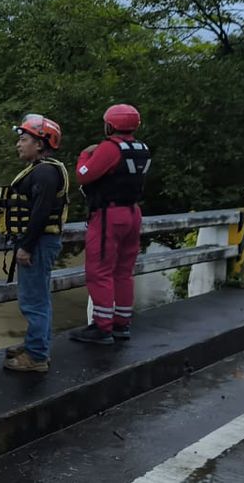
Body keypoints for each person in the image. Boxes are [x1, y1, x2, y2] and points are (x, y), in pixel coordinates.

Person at [0, 114, 69, 372]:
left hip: (37, 244)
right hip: (40, 242)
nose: (18, 144)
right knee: (38, 298)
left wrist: (25, 245)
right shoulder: (43, 169)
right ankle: (37, 346)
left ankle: (36, 357)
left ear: (40, 144)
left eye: (24, 139)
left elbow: (41, 211)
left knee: (33, 301)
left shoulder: (45, 173)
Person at [70, 104, 150, 345]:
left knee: (99, 270)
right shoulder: (141, 148)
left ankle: (102, 327)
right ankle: (121, 323)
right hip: (132, 212)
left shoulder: (109, 148)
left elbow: (84, 174)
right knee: (123, 271)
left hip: (109, 215)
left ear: (110, 125)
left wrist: (85, 154)